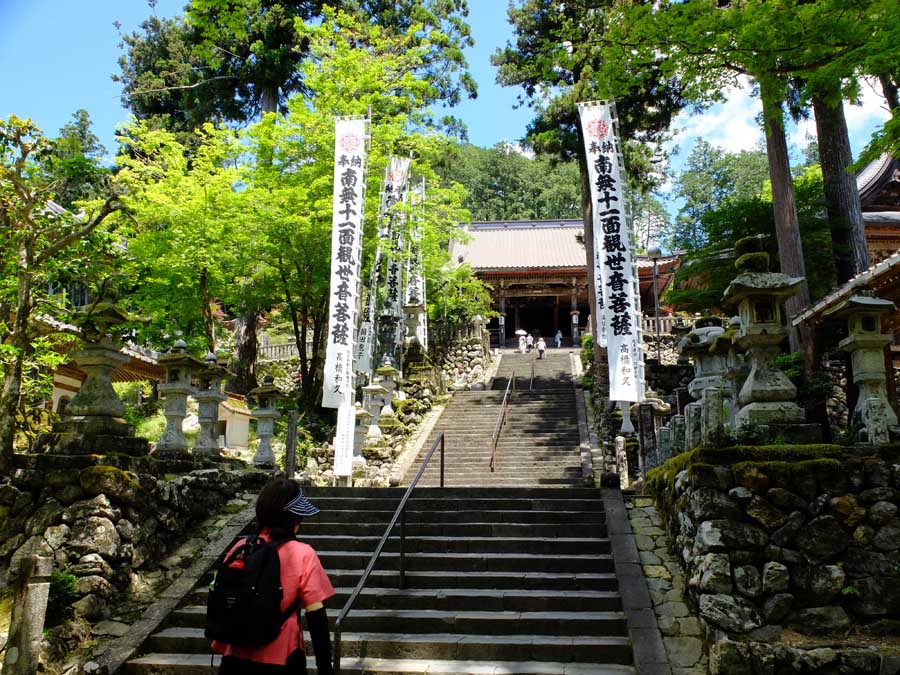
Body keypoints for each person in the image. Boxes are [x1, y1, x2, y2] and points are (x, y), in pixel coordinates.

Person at [213, 478, 335, 675]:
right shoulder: (302, 553)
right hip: (282, 658)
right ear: (294, 519)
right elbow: (316, 618)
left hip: (233, 659)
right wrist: (325, 669)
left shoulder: (240, 548)